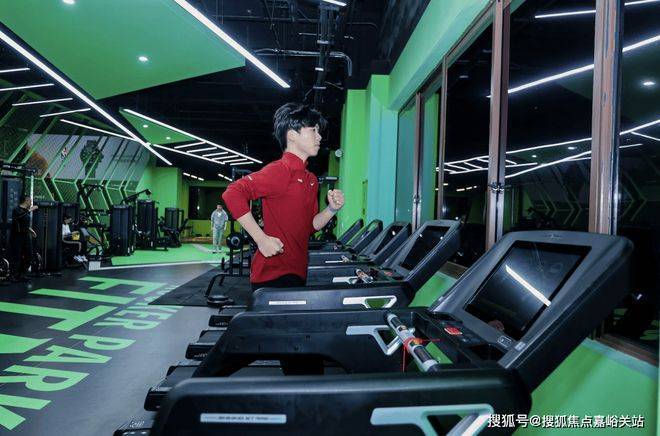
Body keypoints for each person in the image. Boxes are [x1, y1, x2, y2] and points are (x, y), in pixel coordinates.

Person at [223, 102, 345, 292]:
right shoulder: (279, 171)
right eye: (313, 130)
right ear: (292, 135)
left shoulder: (311, 180)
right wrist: (261, 239)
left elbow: (309, 226)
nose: (319, 136)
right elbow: (232, 193)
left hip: (298, 271)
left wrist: (331, 210)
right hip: (273, 275)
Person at [9, 195, 37, 281]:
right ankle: (14, 275)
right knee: (17, 256)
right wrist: (30, 210)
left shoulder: (25, 211)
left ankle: (22, 274)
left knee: (29, 255)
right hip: (17, 236)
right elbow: (19, 217)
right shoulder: (16, 210)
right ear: (26, 200)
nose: (31, 203)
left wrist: (30, 230)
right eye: (30, 201)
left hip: (26, 235)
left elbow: (24, 222)